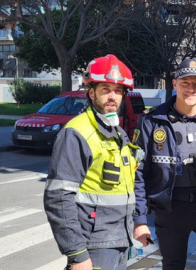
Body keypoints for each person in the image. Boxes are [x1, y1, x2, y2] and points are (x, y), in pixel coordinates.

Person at [44, 54, 150, 270]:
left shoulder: (118, 134)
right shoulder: (77, 133)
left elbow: (128, 186)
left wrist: (138, 223)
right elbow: (58, 198)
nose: (113, 96)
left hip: (119, 241)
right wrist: (77, 254)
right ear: (91, 93)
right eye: (105, 89)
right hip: (93, 247)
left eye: (118, 91)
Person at [132, 58, 196, 269]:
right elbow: (138, 174)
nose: (191, 89)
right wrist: (140, 221)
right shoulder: (151, 121)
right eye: (185, 83)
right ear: (174, 84)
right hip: (171, 210)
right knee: (172, 265)